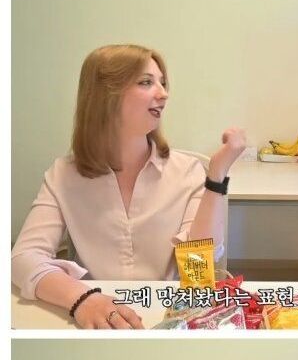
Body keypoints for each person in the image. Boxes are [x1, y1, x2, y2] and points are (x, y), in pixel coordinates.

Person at [11, 44, 246, 328]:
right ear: (105, 95)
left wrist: (217, 176)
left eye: (162, 82)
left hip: (166, 319)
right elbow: (23, 258)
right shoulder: (63, 175)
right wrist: (83, 299)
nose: (163, 93)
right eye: (146, 82)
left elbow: (198, 267)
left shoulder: (188, 172)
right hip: (94, 321)